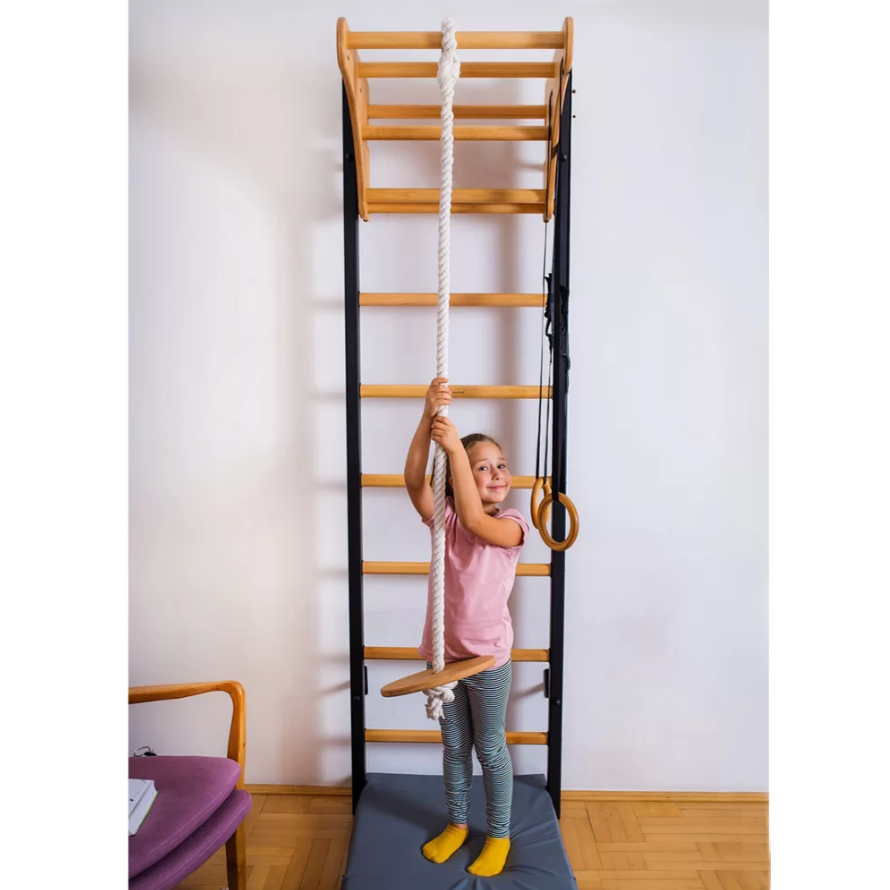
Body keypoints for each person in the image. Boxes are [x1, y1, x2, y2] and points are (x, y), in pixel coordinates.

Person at [404, 376, 529, 877]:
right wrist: (425, 414)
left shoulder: (512, 524)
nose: (497, 472)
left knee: (490, 747)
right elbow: (415, 481)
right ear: (458, 478)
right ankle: (458, 824)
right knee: (455, 747)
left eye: (501, 465)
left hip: (489, 660)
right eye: (482, 467)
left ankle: (497, 834)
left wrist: (457, 447)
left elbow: (480, 522)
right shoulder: (447, 519)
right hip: (447, 658)